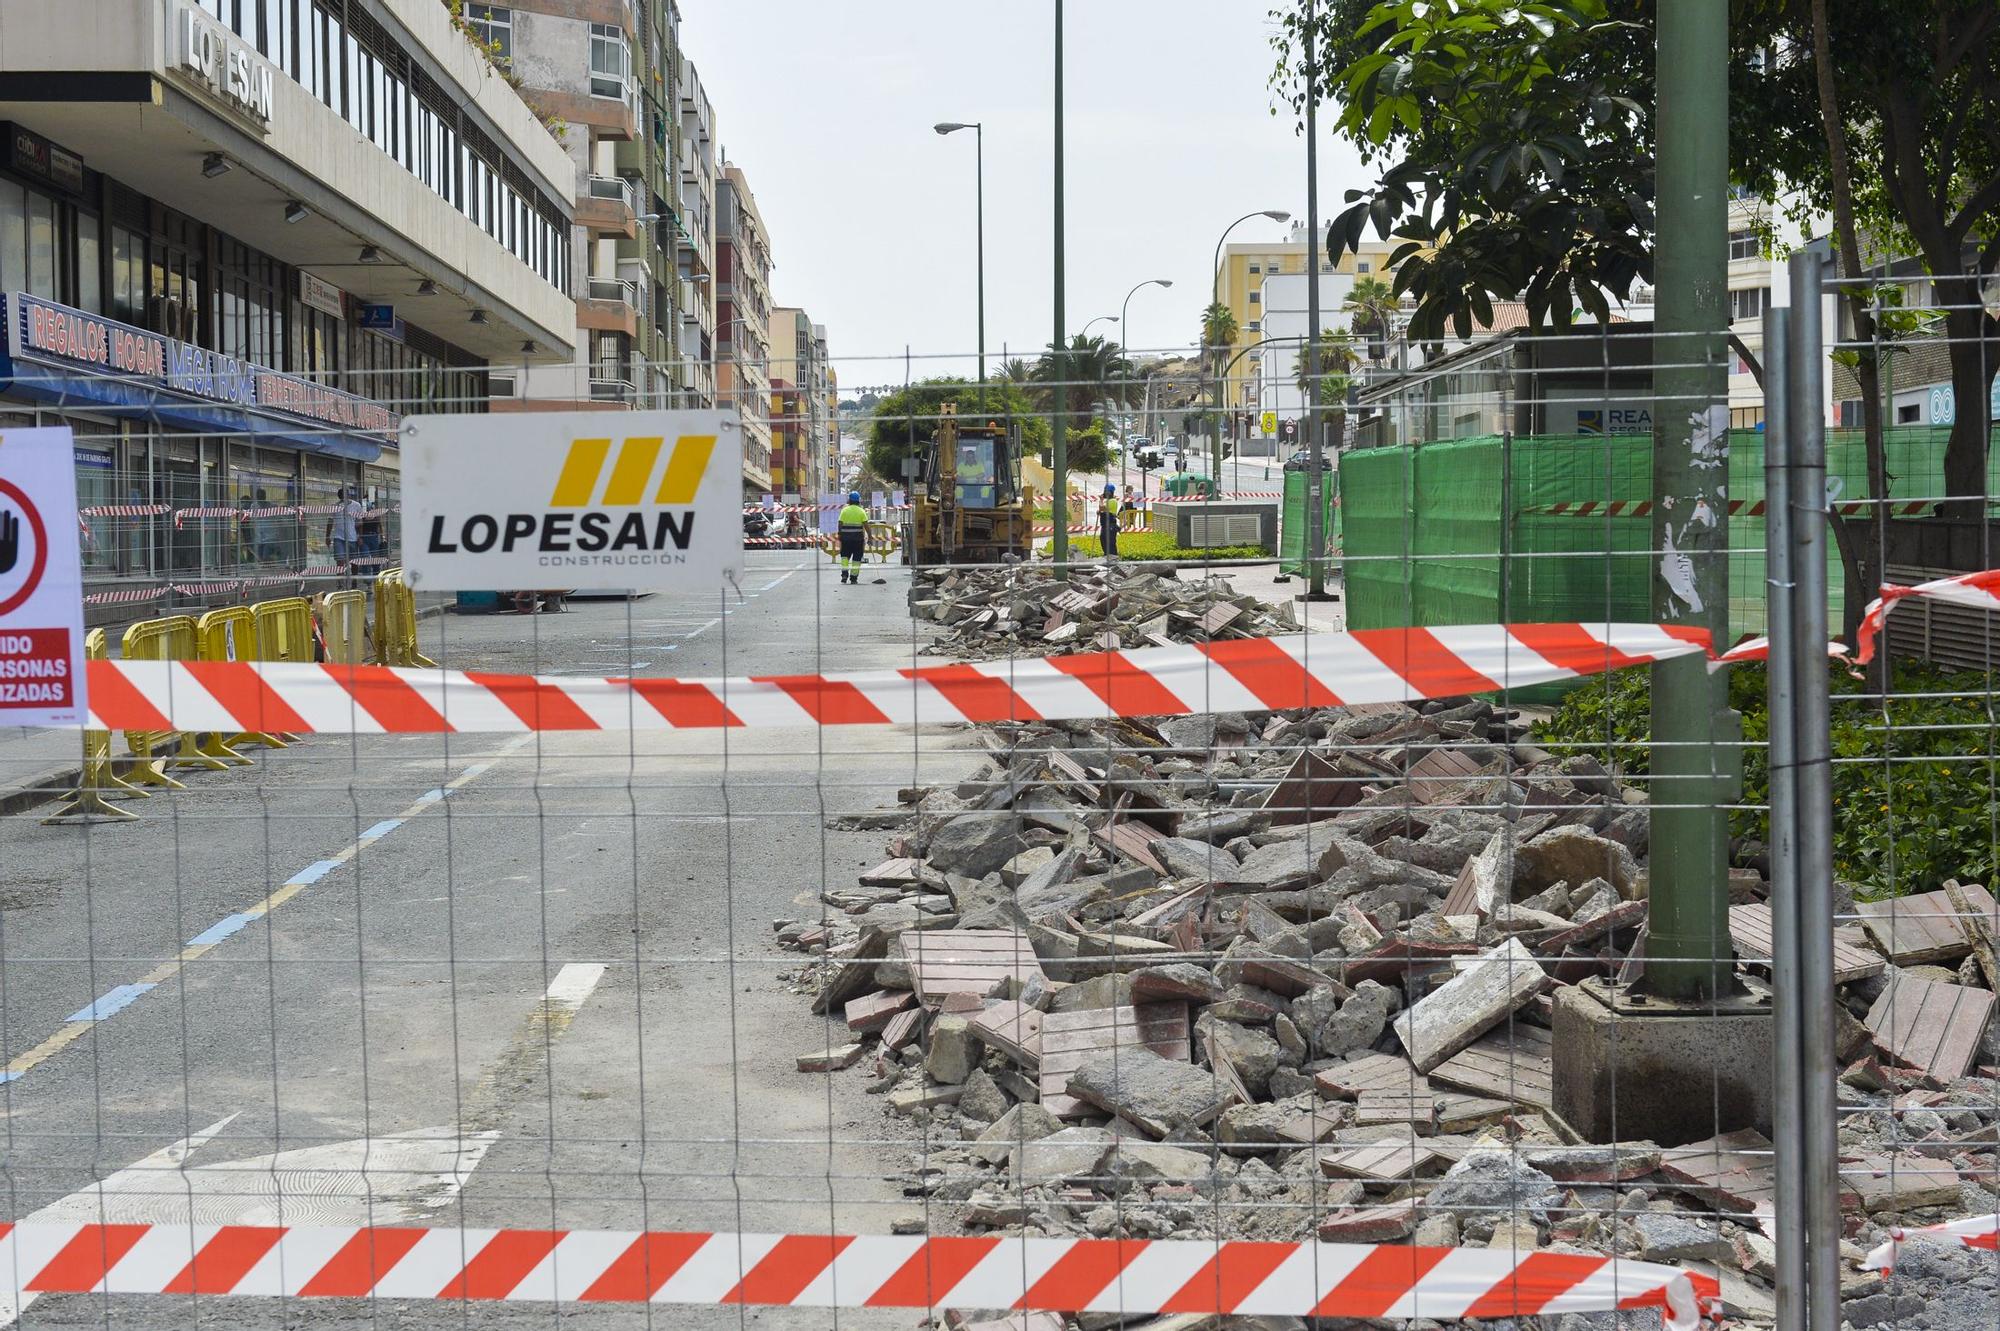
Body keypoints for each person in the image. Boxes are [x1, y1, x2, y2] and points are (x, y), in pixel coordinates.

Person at [835, 490, 869, 584]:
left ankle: (844, 574)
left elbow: (840, 523)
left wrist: (839, 533)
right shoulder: (861, 511)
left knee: (845, 556)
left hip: (845, 538)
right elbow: (866, 525)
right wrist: (870, 536)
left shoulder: (844, 510)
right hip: (858, 539)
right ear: (859, 501)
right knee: (857, 558)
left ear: (849, 500)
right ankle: (853, 578)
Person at [327, 485, 362, 568]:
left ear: (348, 495)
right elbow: (330, 521)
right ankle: (341, 579)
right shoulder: (334, 507)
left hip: (352, 538)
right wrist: (327, 537)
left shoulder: (356, 505)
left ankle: (354, 579)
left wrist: (360, 536)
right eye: (341, 497)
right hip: (339, 538)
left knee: (353, 562)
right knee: (340, 560)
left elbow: (360, 522)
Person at [1097, 483, 1120, 559]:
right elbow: (1103, 510)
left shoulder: (1113, 501)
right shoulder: (1108, 501)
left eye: (1107, 491)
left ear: (1111, 492)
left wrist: (1101, 500)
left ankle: (1113, 558)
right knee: (1103, 540)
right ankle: (1106, 556)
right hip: (1104, 525)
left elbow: (1102, 507)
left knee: (1110, 543)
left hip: (1110, 525)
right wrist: (1101, 513)